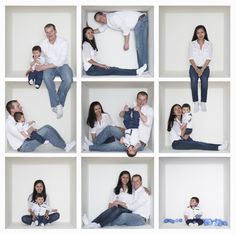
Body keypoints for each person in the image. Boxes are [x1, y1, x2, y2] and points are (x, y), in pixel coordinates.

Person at [6, 100, 75, 152]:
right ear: (12, 110)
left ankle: (65, 144)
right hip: (24, 146)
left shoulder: (17, 118)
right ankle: (65, 146)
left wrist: (32, 130)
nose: (21, 106)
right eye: (18, 106)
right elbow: (22, 137)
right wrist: (31, 130)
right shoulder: (9, 123)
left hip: (27, 141)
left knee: (47, 127)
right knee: (46, 131)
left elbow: (24, 128)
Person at [35, 23, 73, 119]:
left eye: (51, 31)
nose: (49, 34)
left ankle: (56, 104)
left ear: (55, 31)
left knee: (68, 79)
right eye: (47, 32)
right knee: (46, 77)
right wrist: (38, 64)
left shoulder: (63, 42)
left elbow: (60, 61)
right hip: (49, 67)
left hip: (62, 65)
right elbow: (42, 58)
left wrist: (45, 67)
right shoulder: (42, 44)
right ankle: (58, 105)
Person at [82, 27, 147, 76]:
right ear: (85, 35)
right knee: (114, 70)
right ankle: (136, 72)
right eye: (88, 33)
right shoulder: (86, 44)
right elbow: (89, 60)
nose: (91, 34)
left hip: (93, 68)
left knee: (114, 69)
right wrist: (101, 65)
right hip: (91, 70)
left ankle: (136, 71)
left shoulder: (89, 44)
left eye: (92, 32)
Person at [189, 25, 212, 112]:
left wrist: (202, 69)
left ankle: (203, 102)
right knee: (194, 80)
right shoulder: (192, 44)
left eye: (202, 32)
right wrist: (197, 69)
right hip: (194, 67)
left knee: (204, 80)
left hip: (205, 67)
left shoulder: (209, 44)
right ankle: (195, 102)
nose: (200, 34)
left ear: (205, 33)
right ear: (196, 34)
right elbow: (190, 58)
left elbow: (209, 58)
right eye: (198, 32)